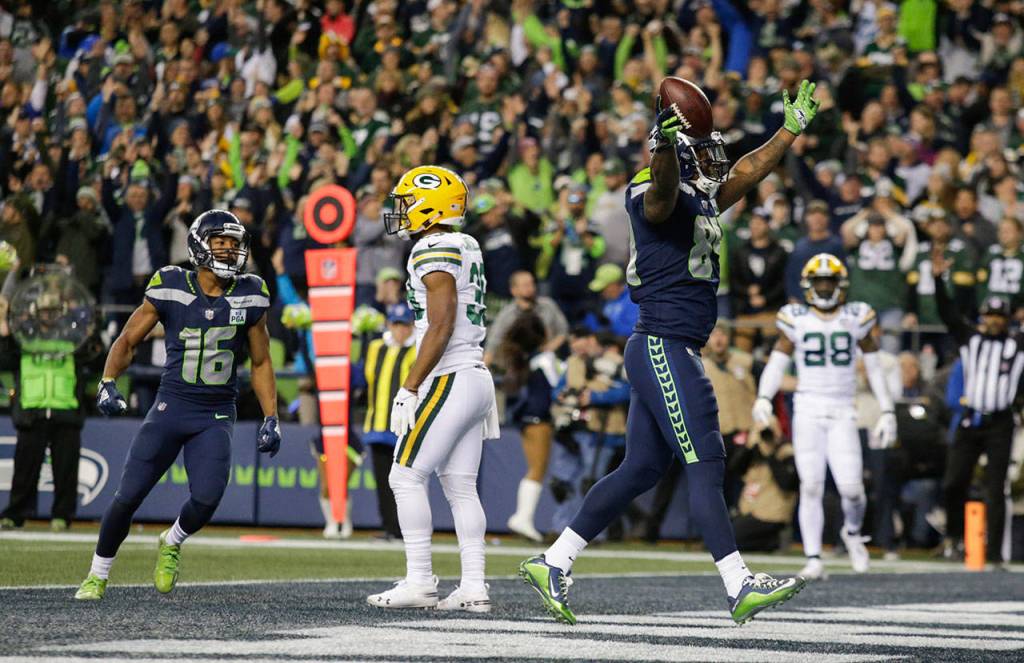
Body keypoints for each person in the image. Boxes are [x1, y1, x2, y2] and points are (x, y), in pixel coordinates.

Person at [520, 78, 821, 626]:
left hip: (669, 345)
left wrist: (788, 132)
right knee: (706, 460)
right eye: (699, 149)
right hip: (664, 344)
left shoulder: (703, 191)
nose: (714, 159)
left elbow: (748, 171)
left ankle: (554, 560)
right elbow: (659, 200)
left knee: (640, 468)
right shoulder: (651, 186)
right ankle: (738, 585)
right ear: (674, 149)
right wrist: (661, 148)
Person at [73, 210, 281, 600]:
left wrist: (272, 416)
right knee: (129, 495)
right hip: (171, 405)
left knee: (207, 497)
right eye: (221, 243)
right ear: (199, 245)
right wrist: (107, 382)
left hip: (216, 412)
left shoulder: (250, 292)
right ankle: (97, 574)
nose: (230, 251)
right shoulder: (171, 284)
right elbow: (128, 339)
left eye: (234, 244)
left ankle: (172, 540)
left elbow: (261, 361)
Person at [367, 165, 498, 613]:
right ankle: (474, 587)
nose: (400, 212)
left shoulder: (433, 246)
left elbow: (440, 325)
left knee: (404, 476)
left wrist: (408, 386)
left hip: (452, 374)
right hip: (475, 374)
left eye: (406, 202)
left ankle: (420, 581)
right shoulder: (466, 243)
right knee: (461, 487)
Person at [753, 254, 898, 580]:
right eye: (819, 282)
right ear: (808, 285)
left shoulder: (855, 317)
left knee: (851, 489)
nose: (824, 287)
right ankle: (814, 556)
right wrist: (763, 396)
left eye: (828, 282)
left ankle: (852, 532)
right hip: (807, 408)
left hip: (843, 408)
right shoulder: (796, 319)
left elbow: (874, 365)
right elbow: (776, 363)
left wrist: (887, 408)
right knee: (812, 485)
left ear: (840, 285)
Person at [932, 252, 1024, 568]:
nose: (995, 320)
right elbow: (948, 314)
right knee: (953, 482)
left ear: (1009, 318)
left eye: (1000, 315)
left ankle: (996, 554)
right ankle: (956, 539)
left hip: (1000, 421)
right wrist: (937, 280)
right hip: (971, 419)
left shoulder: (1017, 345)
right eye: (990, 315)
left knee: (995, 488)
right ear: (983, 316)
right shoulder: (971, 339)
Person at [0, 283, 102, 532]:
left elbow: (97, 355)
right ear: (36, 311)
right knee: (24, 471)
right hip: (32, 411)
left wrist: (91, 327)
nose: (49, 314)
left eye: (54, 310)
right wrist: (4, 325)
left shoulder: (73, 339)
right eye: (45, 310)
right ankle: (15, 515)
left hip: (65, 410)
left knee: (66, 470)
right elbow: (3, 359)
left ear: (62, 312)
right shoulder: (24, 338)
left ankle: (62, 516)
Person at [500, 312, 561, 542]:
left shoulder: (522, 358)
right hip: (539, 418)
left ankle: (523, 517)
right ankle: (522, 518)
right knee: (537, 469)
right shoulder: (545, 359)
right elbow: (556, 386)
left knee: (534, 468)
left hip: (526, 418)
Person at [361, 302, 417, 541]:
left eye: (404, 325)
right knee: (384, 481)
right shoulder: (376, 347)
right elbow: (363, 377)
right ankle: (390, 528)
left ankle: (411, 530)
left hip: (407, 427)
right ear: (388, 325)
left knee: (408, 483)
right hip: (378, 423)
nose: (400, 330)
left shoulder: (417, 350)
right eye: (396, 324)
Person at [484, 270, 568, 364]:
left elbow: (563, 332)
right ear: (513, 290)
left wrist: (548, 348)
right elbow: (493, 344)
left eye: (532, 283)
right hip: (517, 363)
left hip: (548, 360)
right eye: (525, 285)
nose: (530, 287)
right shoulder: (507, 315)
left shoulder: (548, 306)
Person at [583, 263, 639, 340]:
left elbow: (634, 331)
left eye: (604, 288)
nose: (602, 292)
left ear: (614, 285)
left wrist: (609, 326)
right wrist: (591, 318)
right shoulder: (609, 301)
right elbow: (597, 328)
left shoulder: (633, 300)